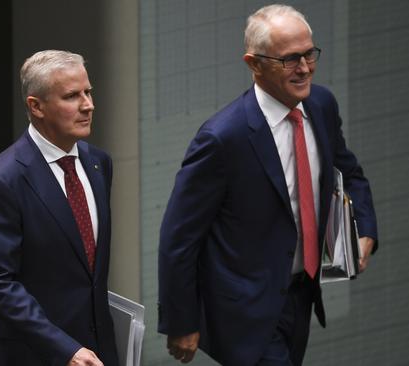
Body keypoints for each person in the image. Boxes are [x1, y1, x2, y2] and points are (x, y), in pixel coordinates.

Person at [157, 4, 378, 366]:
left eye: (309, 54)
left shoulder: (321, 105)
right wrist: (182, 321)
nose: (305, 68)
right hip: (243, 310)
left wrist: (364, 227)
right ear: (254, 64)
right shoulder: (221, 138)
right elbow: (179, 237)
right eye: (290, 59)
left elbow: (349, 172)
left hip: (301, 295)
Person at [0, 50, 118, 366]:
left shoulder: (98, 164)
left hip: (95, 352)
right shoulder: (4, 180)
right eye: (71, 96)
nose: (88, 105)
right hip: (30, 354)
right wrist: (65, 349)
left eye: (88, 92)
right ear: (36, 106)